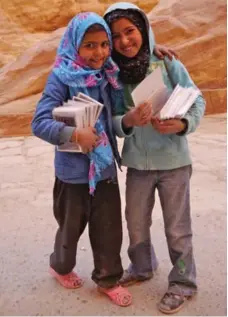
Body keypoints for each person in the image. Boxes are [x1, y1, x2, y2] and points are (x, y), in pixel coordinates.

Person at [104, 2, 206, 314]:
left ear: (144, 30)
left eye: (131, 31)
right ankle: (143, 266)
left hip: (174, 162)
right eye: (116, 35)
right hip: (137, 164)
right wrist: (128, 121)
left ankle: (183, 282)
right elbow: (111, 121)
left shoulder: (166, 63)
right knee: (135, 223)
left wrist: (184, 123)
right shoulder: (113, 76)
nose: (124, 41)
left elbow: (196, 98)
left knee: (177, 227)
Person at [31, 12, 133, 307]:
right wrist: (74, 135)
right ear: (74, 45)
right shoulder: (61, 77)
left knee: (109, 228)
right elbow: (39, 123)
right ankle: (60, 266)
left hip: (103, 170)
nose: (99, 52)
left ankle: (108, 278)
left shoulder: (108, 73)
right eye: (89, 45)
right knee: (69, 229)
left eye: (103, 44)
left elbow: (138, 55)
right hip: (72, 174)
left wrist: (159, 50)